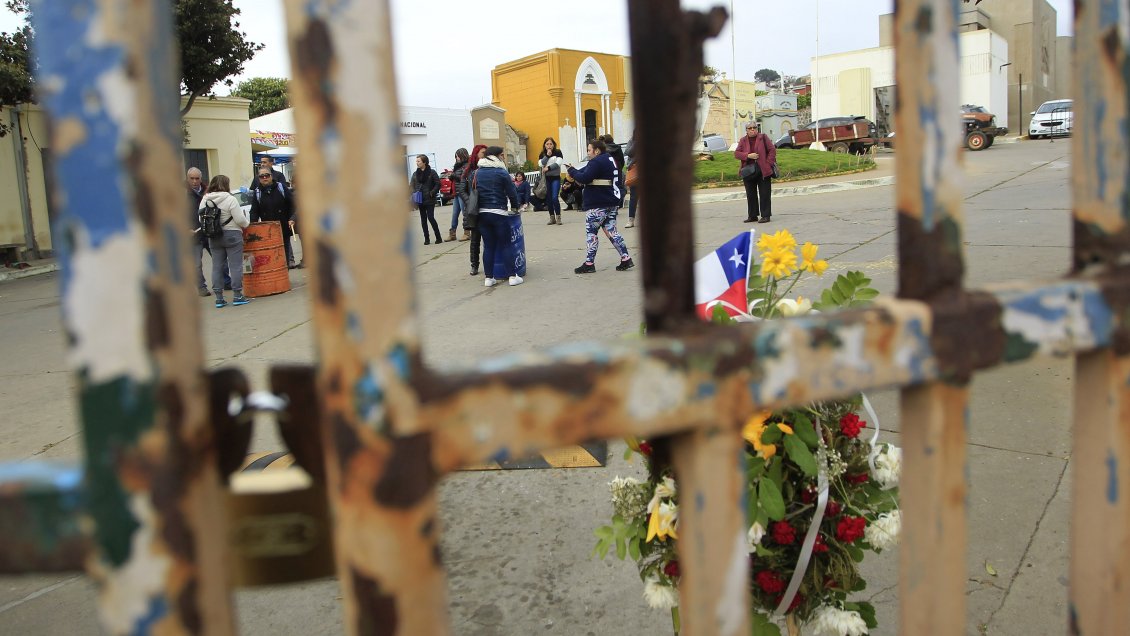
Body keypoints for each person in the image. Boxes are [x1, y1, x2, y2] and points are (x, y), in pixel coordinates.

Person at [566, 138, 634, 274]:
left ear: (597, 151)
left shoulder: (597, 161)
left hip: (598, 203)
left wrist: (571, 171)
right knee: (612, 231)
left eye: (589, 150)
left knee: (591, 233)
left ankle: (589, 263)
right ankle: (626, 258)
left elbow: (585, 177)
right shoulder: (608, 159)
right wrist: (575, 172)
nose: (588, 153)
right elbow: (586, 172)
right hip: (611, 201)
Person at [199, 175, 250, 308]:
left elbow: (201, 218)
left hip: (214, 236)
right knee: (235, 266)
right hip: (232, 234)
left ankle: (219, 298)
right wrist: (247, 224)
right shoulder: (230, 199)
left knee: (217, 266)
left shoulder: (205, 199)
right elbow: (240, 219)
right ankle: (238, 295)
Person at [475, 146, 522, 287]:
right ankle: (513, 277)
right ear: (495, 156)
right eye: (502, 155)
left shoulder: (477, 173)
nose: (503, 158)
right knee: (506, 245)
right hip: (499, 213)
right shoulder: (501, 172)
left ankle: (489, 278)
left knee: (488, 246)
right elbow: (512, 192)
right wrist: (515, 207)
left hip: (482, 214)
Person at [187, 167, 230, 296]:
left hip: (210, 231)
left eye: (197, 178)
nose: (195, 181)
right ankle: (201, 287)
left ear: (201, 178)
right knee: (196, 264)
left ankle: (226, 281)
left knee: (221, 259)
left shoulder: (208, 192)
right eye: (192, 178)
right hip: (193, 234)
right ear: (187, 178)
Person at [250, 167, 298, 267]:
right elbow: (254, 212)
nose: (264, 178)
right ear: (259, 178)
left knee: (284, 252)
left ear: (271, 176)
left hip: (283, 227)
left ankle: (284, 275)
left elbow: (293, 205)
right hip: (267, 231)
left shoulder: (281, 188)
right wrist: (253, 228)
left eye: (267, 175)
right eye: (261, 176)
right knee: (271, 254)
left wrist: (292, 218)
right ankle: (276, 277)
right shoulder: (257, 192)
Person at [734, 122, 776, 224]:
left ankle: (766, 215)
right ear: (747, 130)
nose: (753, 129)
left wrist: (768, 163)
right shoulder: (743, 140)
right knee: (750, 194)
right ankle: (753, 216)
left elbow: (772, 150)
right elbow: (736, 153)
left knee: (765, 193)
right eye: (750, 128)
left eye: (754, 127)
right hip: (748, 171)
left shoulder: (763, 137)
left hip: (763, 170)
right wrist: (748, 155)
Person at [461, 144, 487, 275]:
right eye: (483, 152)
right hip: (474, 210)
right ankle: (474, 265)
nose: (485, 154)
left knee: (488, 238)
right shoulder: (469, 171)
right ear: (476, 154)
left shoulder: (488, 168)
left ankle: (489, 263)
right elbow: (462, 190)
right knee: (475, 239)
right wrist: (470, 201)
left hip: (487, 207)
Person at [410, 154, 443, 245]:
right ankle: (427, 239)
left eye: (418, 161)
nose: (417, 163)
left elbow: (438, 184)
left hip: (429, 198)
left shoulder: (432, 172)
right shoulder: (415, 174)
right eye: (416, 161)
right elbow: (411, 185)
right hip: (420, 199)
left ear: (424, 162)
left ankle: (438, 237)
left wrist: (432, 192)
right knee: (423, 219)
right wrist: (414, 193)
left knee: (431, 217)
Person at [538, 137, 564, 225]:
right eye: (547, 144)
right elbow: (540, 163)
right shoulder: (542, 154)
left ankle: (558, 217)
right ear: (544, 145)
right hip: (547, 179)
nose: (549, 146)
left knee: (554, 197)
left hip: (555, 178)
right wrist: (548, 155)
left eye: (551, 144)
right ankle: (552, 217)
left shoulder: (558, 152)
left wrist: (547, 168)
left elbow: (558, 163)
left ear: (554, 145)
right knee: (548, 199)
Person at [598, 134, 625, 209]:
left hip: (608, 169)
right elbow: (622, 160)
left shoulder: (604, 149)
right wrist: (619, 168)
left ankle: (610, 204)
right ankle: (619, 202)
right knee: (618, 186)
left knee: (609, 186)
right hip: (618, 168)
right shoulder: (618, 147)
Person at [449, 148, 470, 241]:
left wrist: (454, 176)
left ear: (462, 155)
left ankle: (467, 232)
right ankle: (452, 233)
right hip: (456, 193)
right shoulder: (457, 166)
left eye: (457, 156)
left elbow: (464, 178)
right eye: (456, 156)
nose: (456, 158)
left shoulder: (467, 166)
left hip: (462, 193)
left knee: (465, 213)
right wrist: (451, 177)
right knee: (454, 214)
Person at [623, 131, 639, 228]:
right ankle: (631, 220)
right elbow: (628, 152)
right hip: (634, 170)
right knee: (633, 197)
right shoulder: (632, 141)